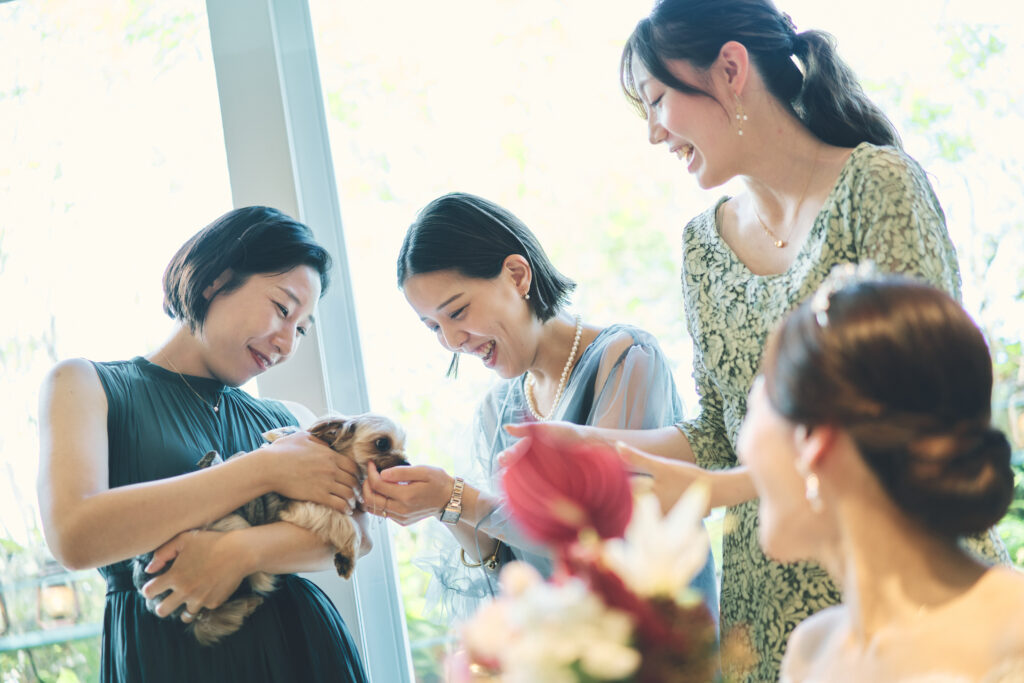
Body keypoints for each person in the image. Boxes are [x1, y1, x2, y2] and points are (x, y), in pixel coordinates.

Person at [508, 0, 1010, 679]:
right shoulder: (701, 246)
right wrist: (596, 446)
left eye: (657, 99)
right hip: (767, 606)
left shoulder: (877, 185)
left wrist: (720, 490)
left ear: (731, 69)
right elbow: (720, 428)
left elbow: (922, 411)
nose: (654, 133)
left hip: (904, 570)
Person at [37, 206, 370, 683]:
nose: (287, 343)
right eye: (282, 308)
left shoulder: (289, 421)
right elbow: (74, 535)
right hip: (168, 660)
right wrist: (264, 470)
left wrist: (242, 553)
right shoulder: (85, 384)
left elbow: (356, 534)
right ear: (217, 279)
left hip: (305, 652)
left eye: (300, 329)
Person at [360, 191, 718, 624]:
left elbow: (601, 538)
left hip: (654, 644)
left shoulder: (624, 358)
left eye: (458, 312)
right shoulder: (498, 410)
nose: (452, 341)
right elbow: (502, 561)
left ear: (516, 275)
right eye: (434, 327)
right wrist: (440, 504)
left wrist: (457, 496)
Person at [738, 269, 1024, 681]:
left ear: (814, 440)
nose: (743, 448)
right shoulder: (810, 651)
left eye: (754, 406)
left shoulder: (1012, 636)